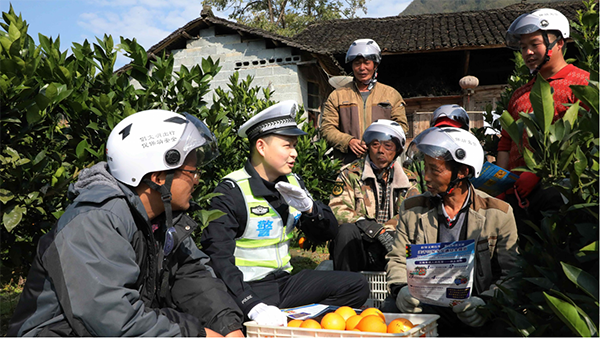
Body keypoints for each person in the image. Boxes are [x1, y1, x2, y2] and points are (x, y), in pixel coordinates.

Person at [8, 110, 244, 337]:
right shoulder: (96, 221)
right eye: (191, 172)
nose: (197, 180)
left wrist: (227, 325)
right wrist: (195, 333)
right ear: (159, 177)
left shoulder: (164, 219)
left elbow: (191, 273)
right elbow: (110, 320)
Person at [200, 100, 369, 327]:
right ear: (261, 147)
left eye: (295, 146)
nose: (295, 153)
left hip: (284, 283)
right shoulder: (231, 191)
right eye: (287, 146)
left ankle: (293, 321)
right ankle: (274, 319)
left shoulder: (291, 182)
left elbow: (328, 232)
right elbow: (218, 258)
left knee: (357, 285)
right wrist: (251, 305)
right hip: (247, 287)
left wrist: (310, 208)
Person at [384, 127, 519, 336]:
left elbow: (511, 274)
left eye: (434, 170)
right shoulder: (413, 209)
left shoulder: (498, 213)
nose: (426, 177)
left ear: (463, 172)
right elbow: (398, 258)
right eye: (425, 168)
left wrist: (485, 302)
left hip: (474, 307)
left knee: (505, 324)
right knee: (391, 309)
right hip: (427, 306)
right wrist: (400, 288)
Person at [497, 8, 589, 240]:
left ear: (559, 42)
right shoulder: (520, 94)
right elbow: (505, 144)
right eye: (522, 46)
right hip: (517, 196)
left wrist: (539, 174)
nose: (527, 52)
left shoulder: (583, 83)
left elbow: (584, 139)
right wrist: (502, 186)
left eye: (534, 44)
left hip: (560, 192)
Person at [328, 119, 421, 271]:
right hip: (359, 246)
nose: (380, 151)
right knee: (345, 231)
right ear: (368, 147)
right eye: (375, 144)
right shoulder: (350, 174)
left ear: (397, 150)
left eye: (388, 145)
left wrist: (387, 230)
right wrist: (372, 229)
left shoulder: (409, 179)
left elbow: (413, 212)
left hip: (393, 245)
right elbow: (337, 209)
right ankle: (345, 286)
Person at [321, 38, 409, 164]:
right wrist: (348, 141)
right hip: (348, 165)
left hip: (383, 164)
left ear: (375, 65)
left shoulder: (391, 95)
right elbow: (327, 128)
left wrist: (381, 144)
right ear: (352, 65)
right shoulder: (337, 96)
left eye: (366, 62)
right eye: (357, 63)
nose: (362, 68)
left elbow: (402, 127)